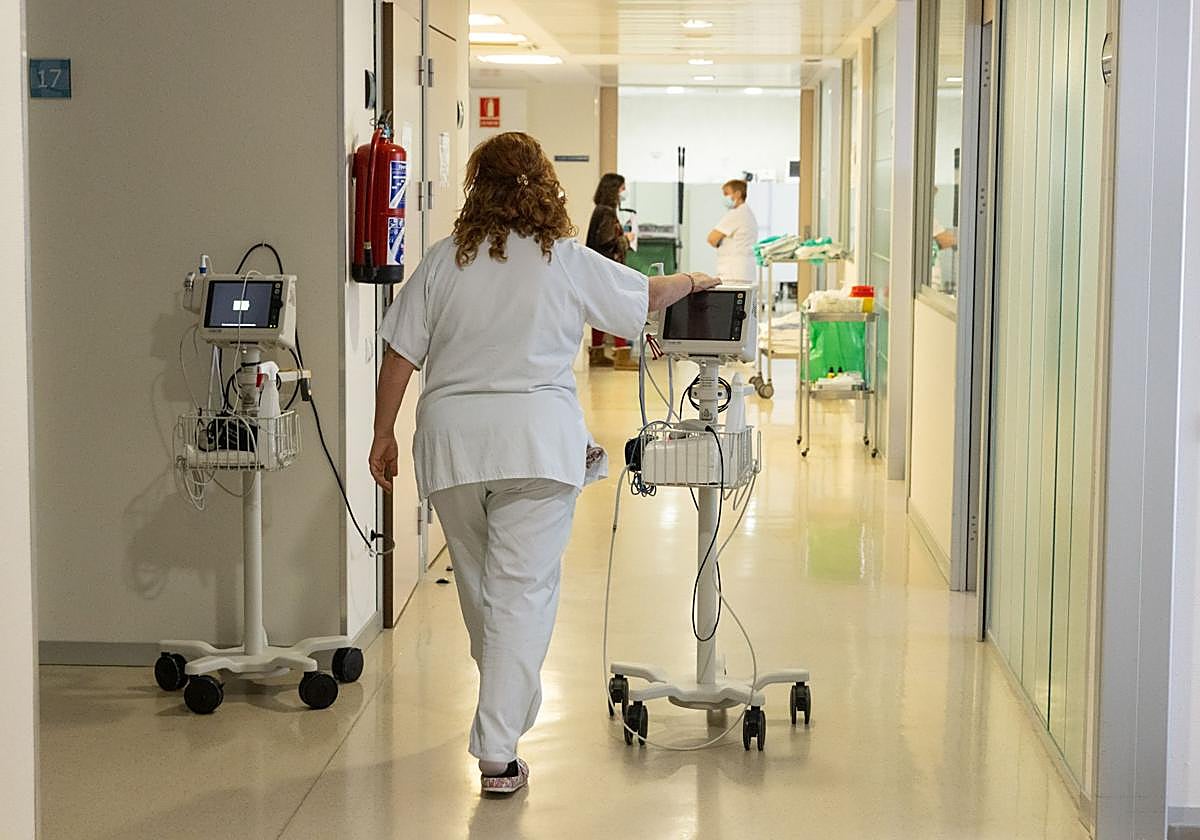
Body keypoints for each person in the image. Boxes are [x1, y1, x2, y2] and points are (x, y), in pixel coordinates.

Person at [368, 131, 718, 796]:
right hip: (535, 446)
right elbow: (645, 296)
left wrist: (382, 432)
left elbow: (400, 355)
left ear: (478, 187)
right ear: (544, 186)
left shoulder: (444, 261)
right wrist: (695, 280)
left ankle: (502, 715)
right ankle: (497, 751)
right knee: (519, 595)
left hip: (454, 449)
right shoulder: (563, 257)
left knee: (484, 593)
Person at [585, 172, 635, 368]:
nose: (624, 192)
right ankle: (622, 355)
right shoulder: (607, 212)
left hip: (596, 269)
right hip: (607, 269)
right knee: (618, 309)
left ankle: (597, 353)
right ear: (614, 190)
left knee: (600, 310)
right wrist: (625, 239)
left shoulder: (599, 210)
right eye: (622, 188)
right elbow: (606, 241)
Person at [706, 178, 759, 282]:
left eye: (726, 193)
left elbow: (712, 239)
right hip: (743, 272)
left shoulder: (737, 213)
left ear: (738, 194)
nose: (724, 197)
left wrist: (719, 242)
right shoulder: (747, 213)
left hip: (733, 273)